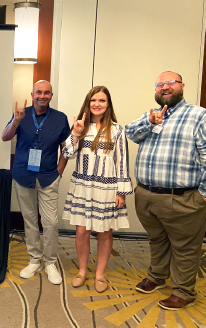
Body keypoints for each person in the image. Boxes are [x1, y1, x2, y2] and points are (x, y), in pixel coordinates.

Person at [125, 71, 206, 310]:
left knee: (185, 247)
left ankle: (184, 291)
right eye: (160, 84)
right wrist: (149, 122)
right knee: (156, 239)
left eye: (170, 83)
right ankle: (157, 276)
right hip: (147, 195)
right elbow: (130, 133)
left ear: (182, 86)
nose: (165, 87)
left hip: (182, 198)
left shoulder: (200, 117)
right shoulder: (150, 115)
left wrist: (205, 195)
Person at [62, 86, 133, 293]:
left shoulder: (117, 130)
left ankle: (100, 274)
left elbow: (122, 163)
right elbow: (68, 153)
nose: (97, 104)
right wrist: (75, 133)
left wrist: (121, 192)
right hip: (82, 186)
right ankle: (82, 271)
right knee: (81, 231)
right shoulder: (80, 126)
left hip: (107, 187)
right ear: (88, 102)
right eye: (93, 100)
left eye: (102, 100)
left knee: (104, 231)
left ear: (108, 104)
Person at [2, 80, 70, 284]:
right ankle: (34, 260)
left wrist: (59, 172)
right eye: (38, 92)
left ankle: (50, 262)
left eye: (46, 92)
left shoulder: (60, 118)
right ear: (32, 94)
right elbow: (5, 138)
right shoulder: (21, 115)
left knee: (50, 223)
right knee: (29, 221)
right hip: (23, 176)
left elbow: (67, 149)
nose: (42, 96)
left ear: (51, 95)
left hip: (48, 178)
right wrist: (15, 121)